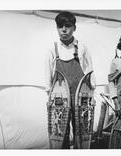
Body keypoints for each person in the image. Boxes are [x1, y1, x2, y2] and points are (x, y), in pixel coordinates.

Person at [45, 11, 96, 149]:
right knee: (60, 134)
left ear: (74, 27)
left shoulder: (82, 48)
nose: (64, 29)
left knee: (82, 134)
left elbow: (90, 74)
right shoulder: (52, 49)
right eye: (60, 26)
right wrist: (49, 97)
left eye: (68, 26)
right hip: (60, 98)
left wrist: (91, 94)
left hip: (80, 97)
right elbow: (47, 77)